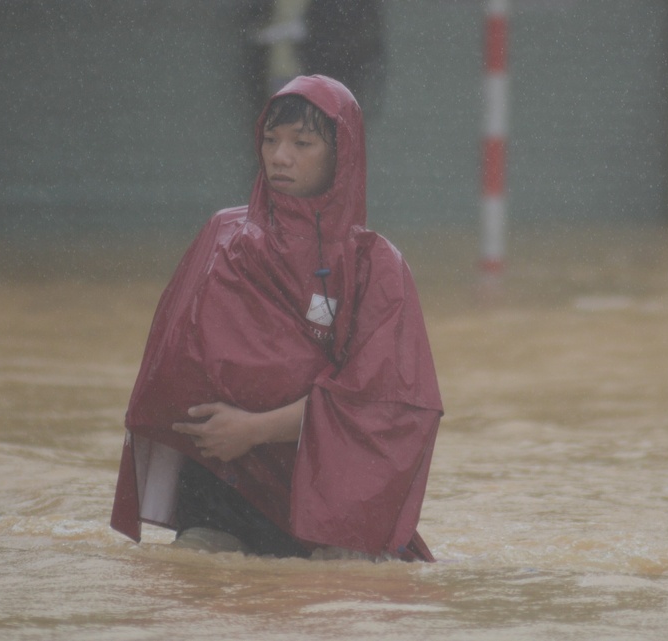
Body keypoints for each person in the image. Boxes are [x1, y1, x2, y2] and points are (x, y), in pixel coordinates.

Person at [110, 75, 443, 561]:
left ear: (341, 156)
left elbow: (382, 405)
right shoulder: (222, 236)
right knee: (190, 573)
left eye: (302, 143)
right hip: (223, 484)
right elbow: (173, 371)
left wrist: (254, 428)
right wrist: (218, 428)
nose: (279, 156)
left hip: (323, 500)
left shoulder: (376, 266)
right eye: (270, 139)